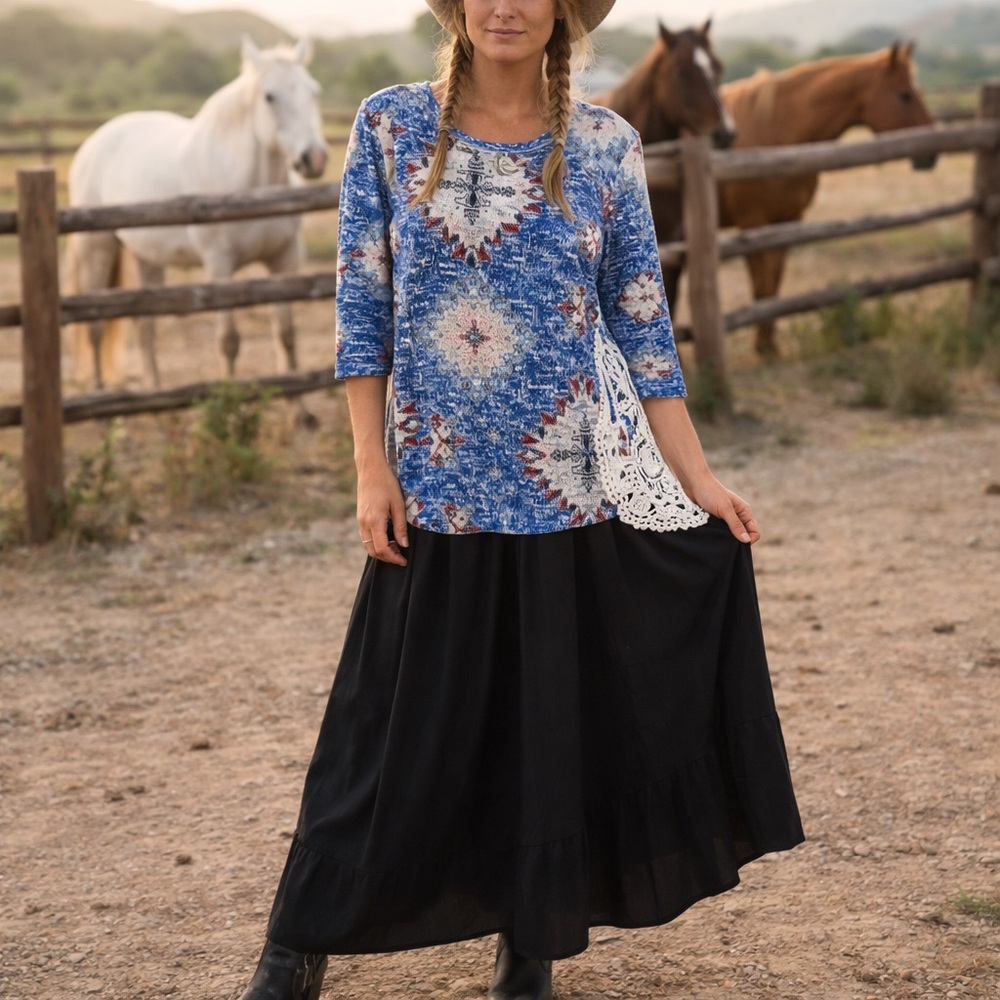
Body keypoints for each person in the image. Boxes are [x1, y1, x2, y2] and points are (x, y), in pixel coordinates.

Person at [238, 2, 804, 998]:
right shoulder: (390, 126)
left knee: (545, 728)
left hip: (566, 483)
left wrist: (699, 479)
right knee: (382, 734)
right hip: (436, 486)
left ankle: (530, 939)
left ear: (561, 11)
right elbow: (362, 307)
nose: (506, 4)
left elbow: (642, 325)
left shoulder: (605, 145)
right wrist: (370, 466)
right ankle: (297, 943)